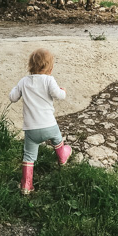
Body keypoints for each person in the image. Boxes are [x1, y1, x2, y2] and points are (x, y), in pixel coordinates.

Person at [9, 47, 72, 194]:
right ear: (50, 68)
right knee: (58, 140)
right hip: (49, 125)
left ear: (30, 66)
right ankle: (62, 157)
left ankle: (26, 185)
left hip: (31, 129)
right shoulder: (49, 80)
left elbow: (12, 97)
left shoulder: (23, 81)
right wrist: (63, 91)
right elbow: (59, 95)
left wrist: (16, 88)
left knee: (29, 156)